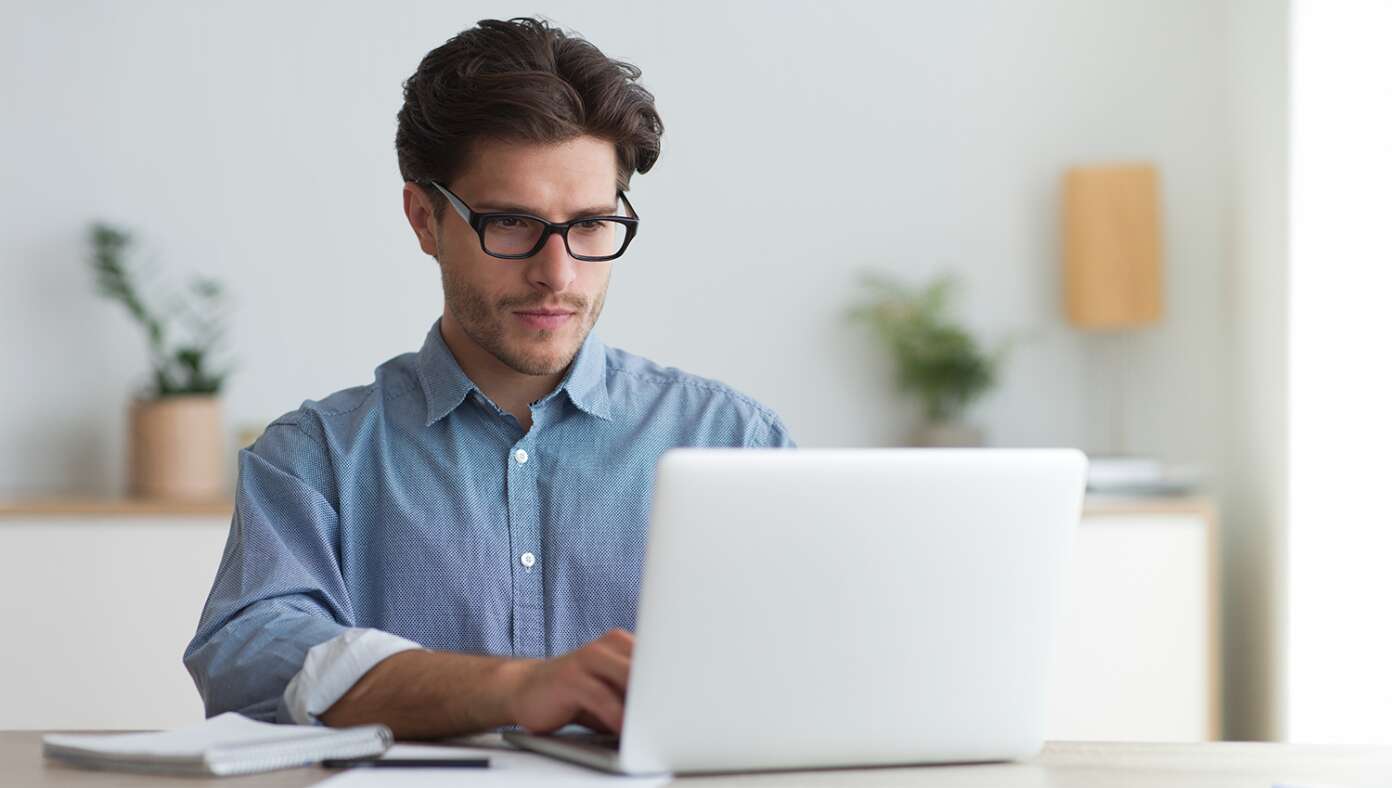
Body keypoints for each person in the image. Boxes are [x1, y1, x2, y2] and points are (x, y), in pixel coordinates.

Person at [183, 17, 794, 740]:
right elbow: (249, 657)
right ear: (424, 218)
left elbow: (813, 665)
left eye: (593, 225)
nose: (557, 274)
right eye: (510, 224)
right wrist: (510, 689)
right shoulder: (313, 458)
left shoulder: (734, 442)